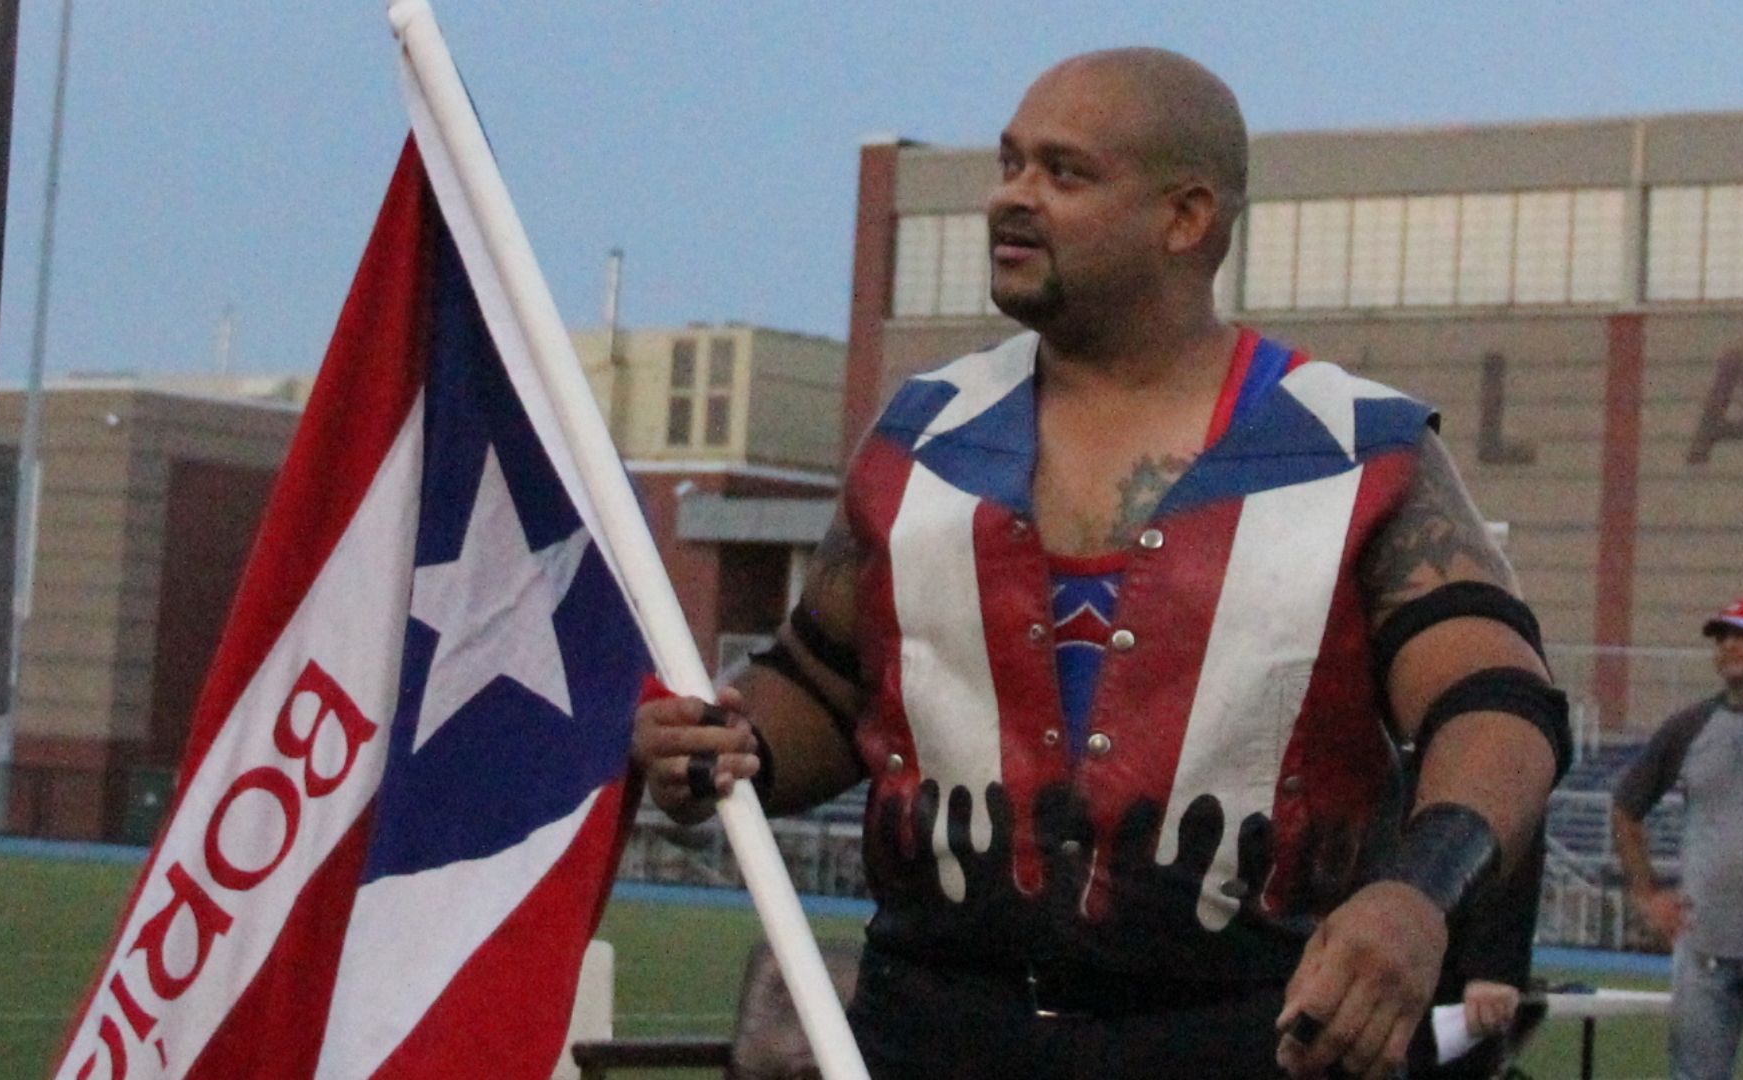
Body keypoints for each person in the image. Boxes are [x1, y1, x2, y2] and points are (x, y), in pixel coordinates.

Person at [632, 48, 1569, 1080]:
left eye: (1063, 173)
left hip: (1248, 1038)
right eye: (1009, 164)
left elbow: (1499, 705)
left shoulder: (1358, 447)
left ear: (1187, 218)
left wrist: (1416, 893)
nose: (1010, 200)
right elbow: (822, 680)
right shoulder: (922, 435)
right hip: (934, 1030)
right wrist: (727, 741)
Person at [1613, 597, 1743, 1080]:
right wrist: (1647, 894)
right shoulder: (1689, 728)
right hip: (1703, 951)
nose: (1729, 647)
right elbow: (1627, 808)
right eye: (1721, 638)